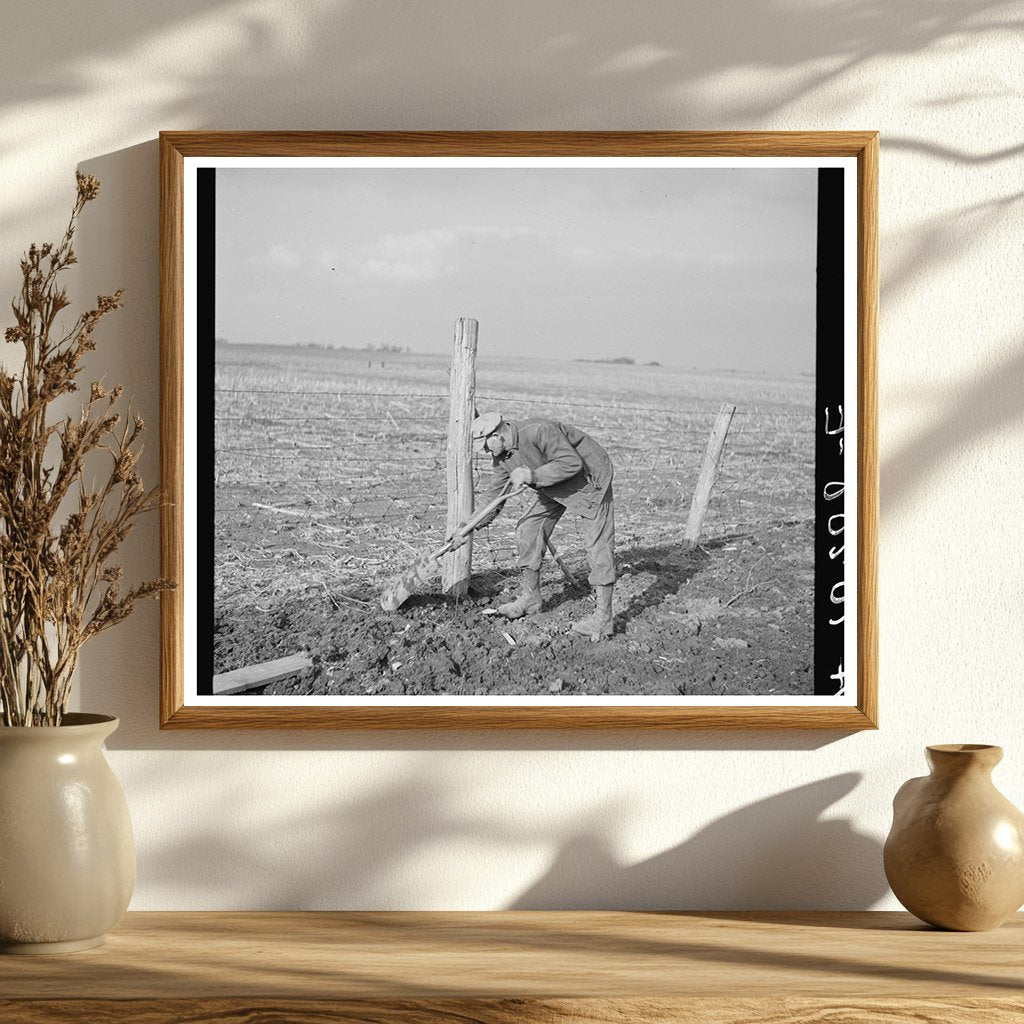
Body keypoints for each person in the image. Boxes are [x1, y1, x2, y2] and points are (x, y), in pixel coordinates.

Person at [464, 411, 616, 638]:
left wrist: (532, 475)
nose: (485, 452)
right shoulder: (503, 458)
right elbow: (493, 499)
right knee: (528, 529)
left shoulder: (538, 431)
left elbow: (570, 462)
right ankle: (531, 597)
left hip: (589, 478)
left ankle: (603, 620)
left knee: (597, 546)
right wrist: (466, 528)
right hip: (553, 486)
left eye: (485, 446)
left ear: (497, 434)